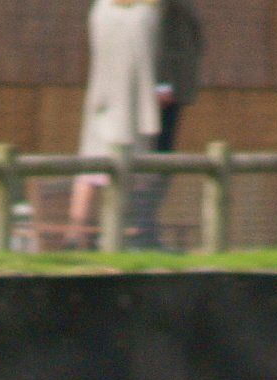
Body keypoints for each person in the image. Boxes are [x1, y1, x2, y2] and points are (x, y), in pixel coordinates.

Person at [70, 0, 161, 248]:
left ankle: (90, 235)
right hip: (120, 104)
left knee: (96, 168)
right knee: (101, 168)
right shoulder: (141, 14)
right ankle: (86, 235)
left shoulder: (103, 10)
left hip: (112, 101)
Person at [133, 0, 203, 249]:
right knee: (157, 161)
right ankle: (142, 229)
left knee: (163, 161)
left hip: (176, 88)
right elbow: (158, 36)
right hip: (165, 91)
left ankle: (146, 225)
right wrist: (162, 83)